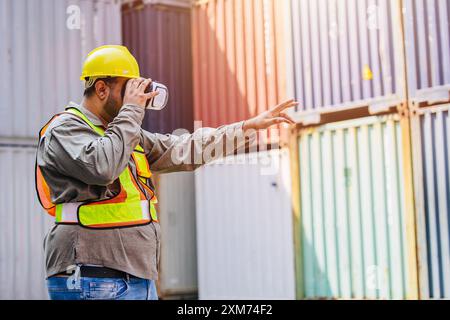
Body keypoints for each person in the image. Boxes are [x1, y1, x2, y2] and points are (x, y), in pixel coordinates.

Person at [36, 45, 298, 300]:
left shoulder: (124, 133)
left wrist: (245, 128)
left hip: (135, 273)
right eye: (128, 90)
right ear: (101, 88)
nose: (135, 98)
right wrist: (131, 111)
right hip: (91, 275)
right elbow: (102, 166)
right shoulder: (65, 129)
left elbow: (182, 148)